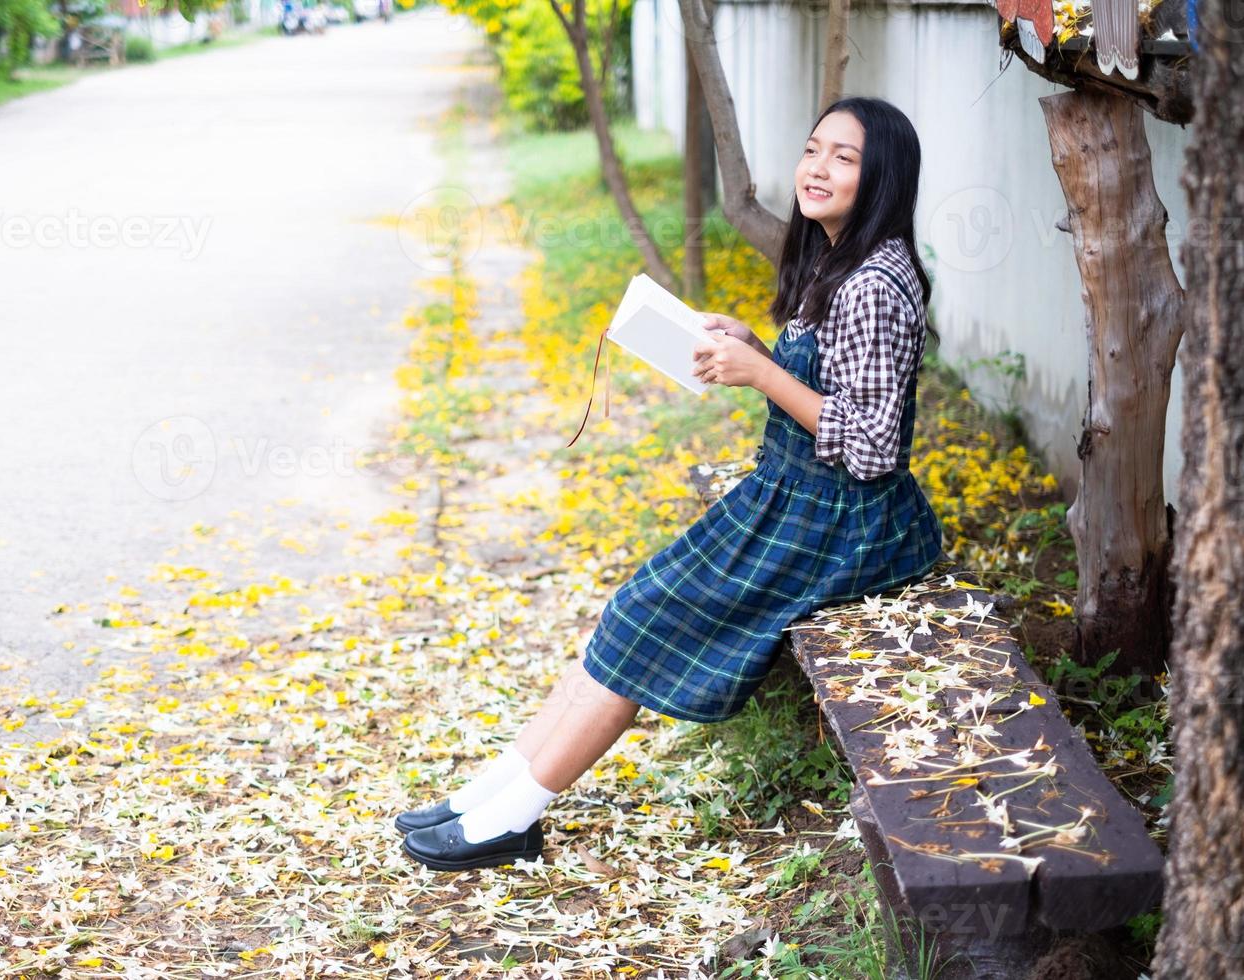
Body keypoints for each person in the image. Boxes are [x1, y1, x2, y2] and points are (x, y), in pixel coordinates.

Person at [397, 96, 946, 872]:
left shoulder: (874, 288)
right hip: (795, 498)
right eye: (812, 149)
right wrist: (758, 350)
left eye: (844, 158)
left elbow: (872, 448)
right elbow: (835, 389)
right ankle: (488, 794)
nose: (817, 169)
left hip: (843, 523)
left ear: (884, 177)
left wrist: (761, 372)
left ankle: (513, 816)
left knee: (645, 617)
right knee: (632, 610)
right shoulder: (837, 258)